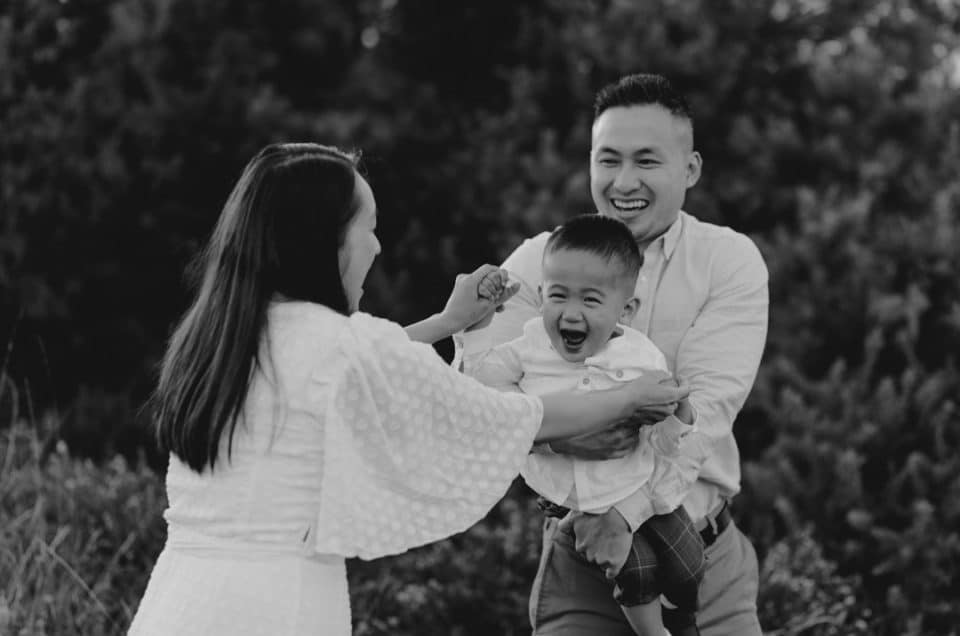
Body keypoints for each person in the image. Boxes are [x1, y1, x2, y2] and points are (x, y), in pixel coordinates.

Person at [127, 142, 689, 636]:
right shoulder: (340, 345)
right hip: (280, 605)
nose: (376, 248)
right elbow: (497, 415)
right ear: (325, 240)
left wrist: (447, 324)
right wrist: (630, 398)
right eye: (368, 229)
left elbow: (363, 359)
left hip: (180, 597)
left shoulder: (219, 340)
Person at [457, 74, 769, 635]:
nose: (624, 182)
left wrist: (624, 514)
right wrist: (563, 436)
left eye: (646, 161)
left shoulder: (729, 262)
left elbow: (707, 410)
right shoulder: (537, 264)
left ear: (691, 169)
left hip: (703, 554)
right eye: (608, 160)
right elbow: (478, 402)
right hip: (582, 559)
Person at [471, 214, 709, 636]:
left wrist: (681, 414)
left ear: (626, 309)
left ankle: (682, 613)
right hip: (573, 498)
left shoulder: (642, 358)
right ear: (542, 295)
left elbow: (663, 439)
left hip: (637, 484)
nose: (571, 313)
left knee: (688, 562)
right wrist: (475, 325)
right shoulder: (526, 349)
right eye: (558, 296)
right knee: (637, 572)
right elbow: (482, 389)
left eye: (591, 301)